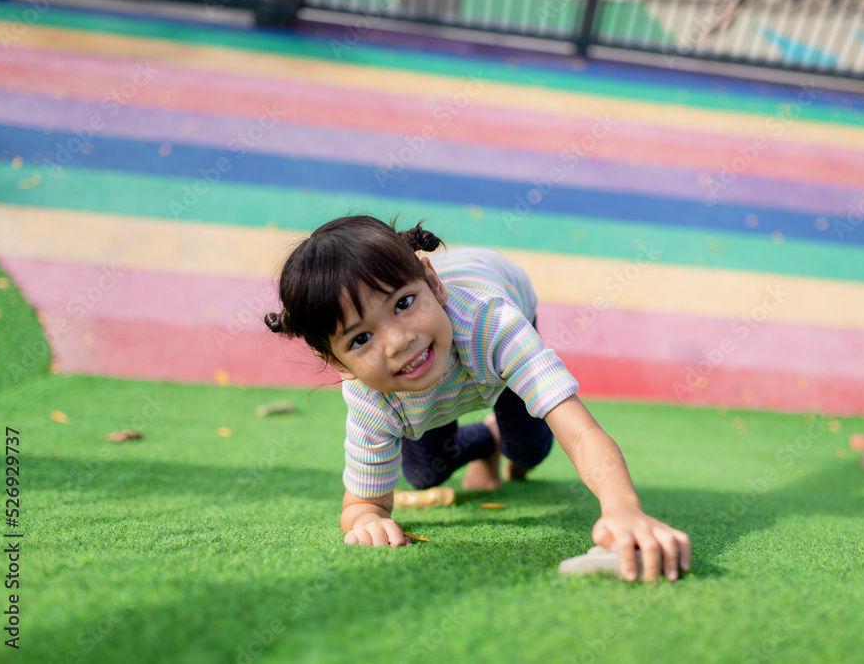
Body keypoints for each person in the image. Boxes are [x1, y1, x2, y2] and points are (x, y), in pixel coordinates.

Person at [265, 215, 690, 582]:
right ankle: (487, 439)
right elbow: (363, 504)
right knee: (425, 475)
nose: (398, 342)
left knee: (527, 451)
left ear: (433, 282)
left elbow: (580, 433)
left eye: (404, 303)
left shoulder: (494, 324)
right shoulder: (368, 396)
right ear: (337, 364)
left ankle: (505, 438)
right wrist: (368, 521)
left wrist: (623, 508)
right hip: (426, 382)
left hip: (497, 319)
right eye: (360, 338)